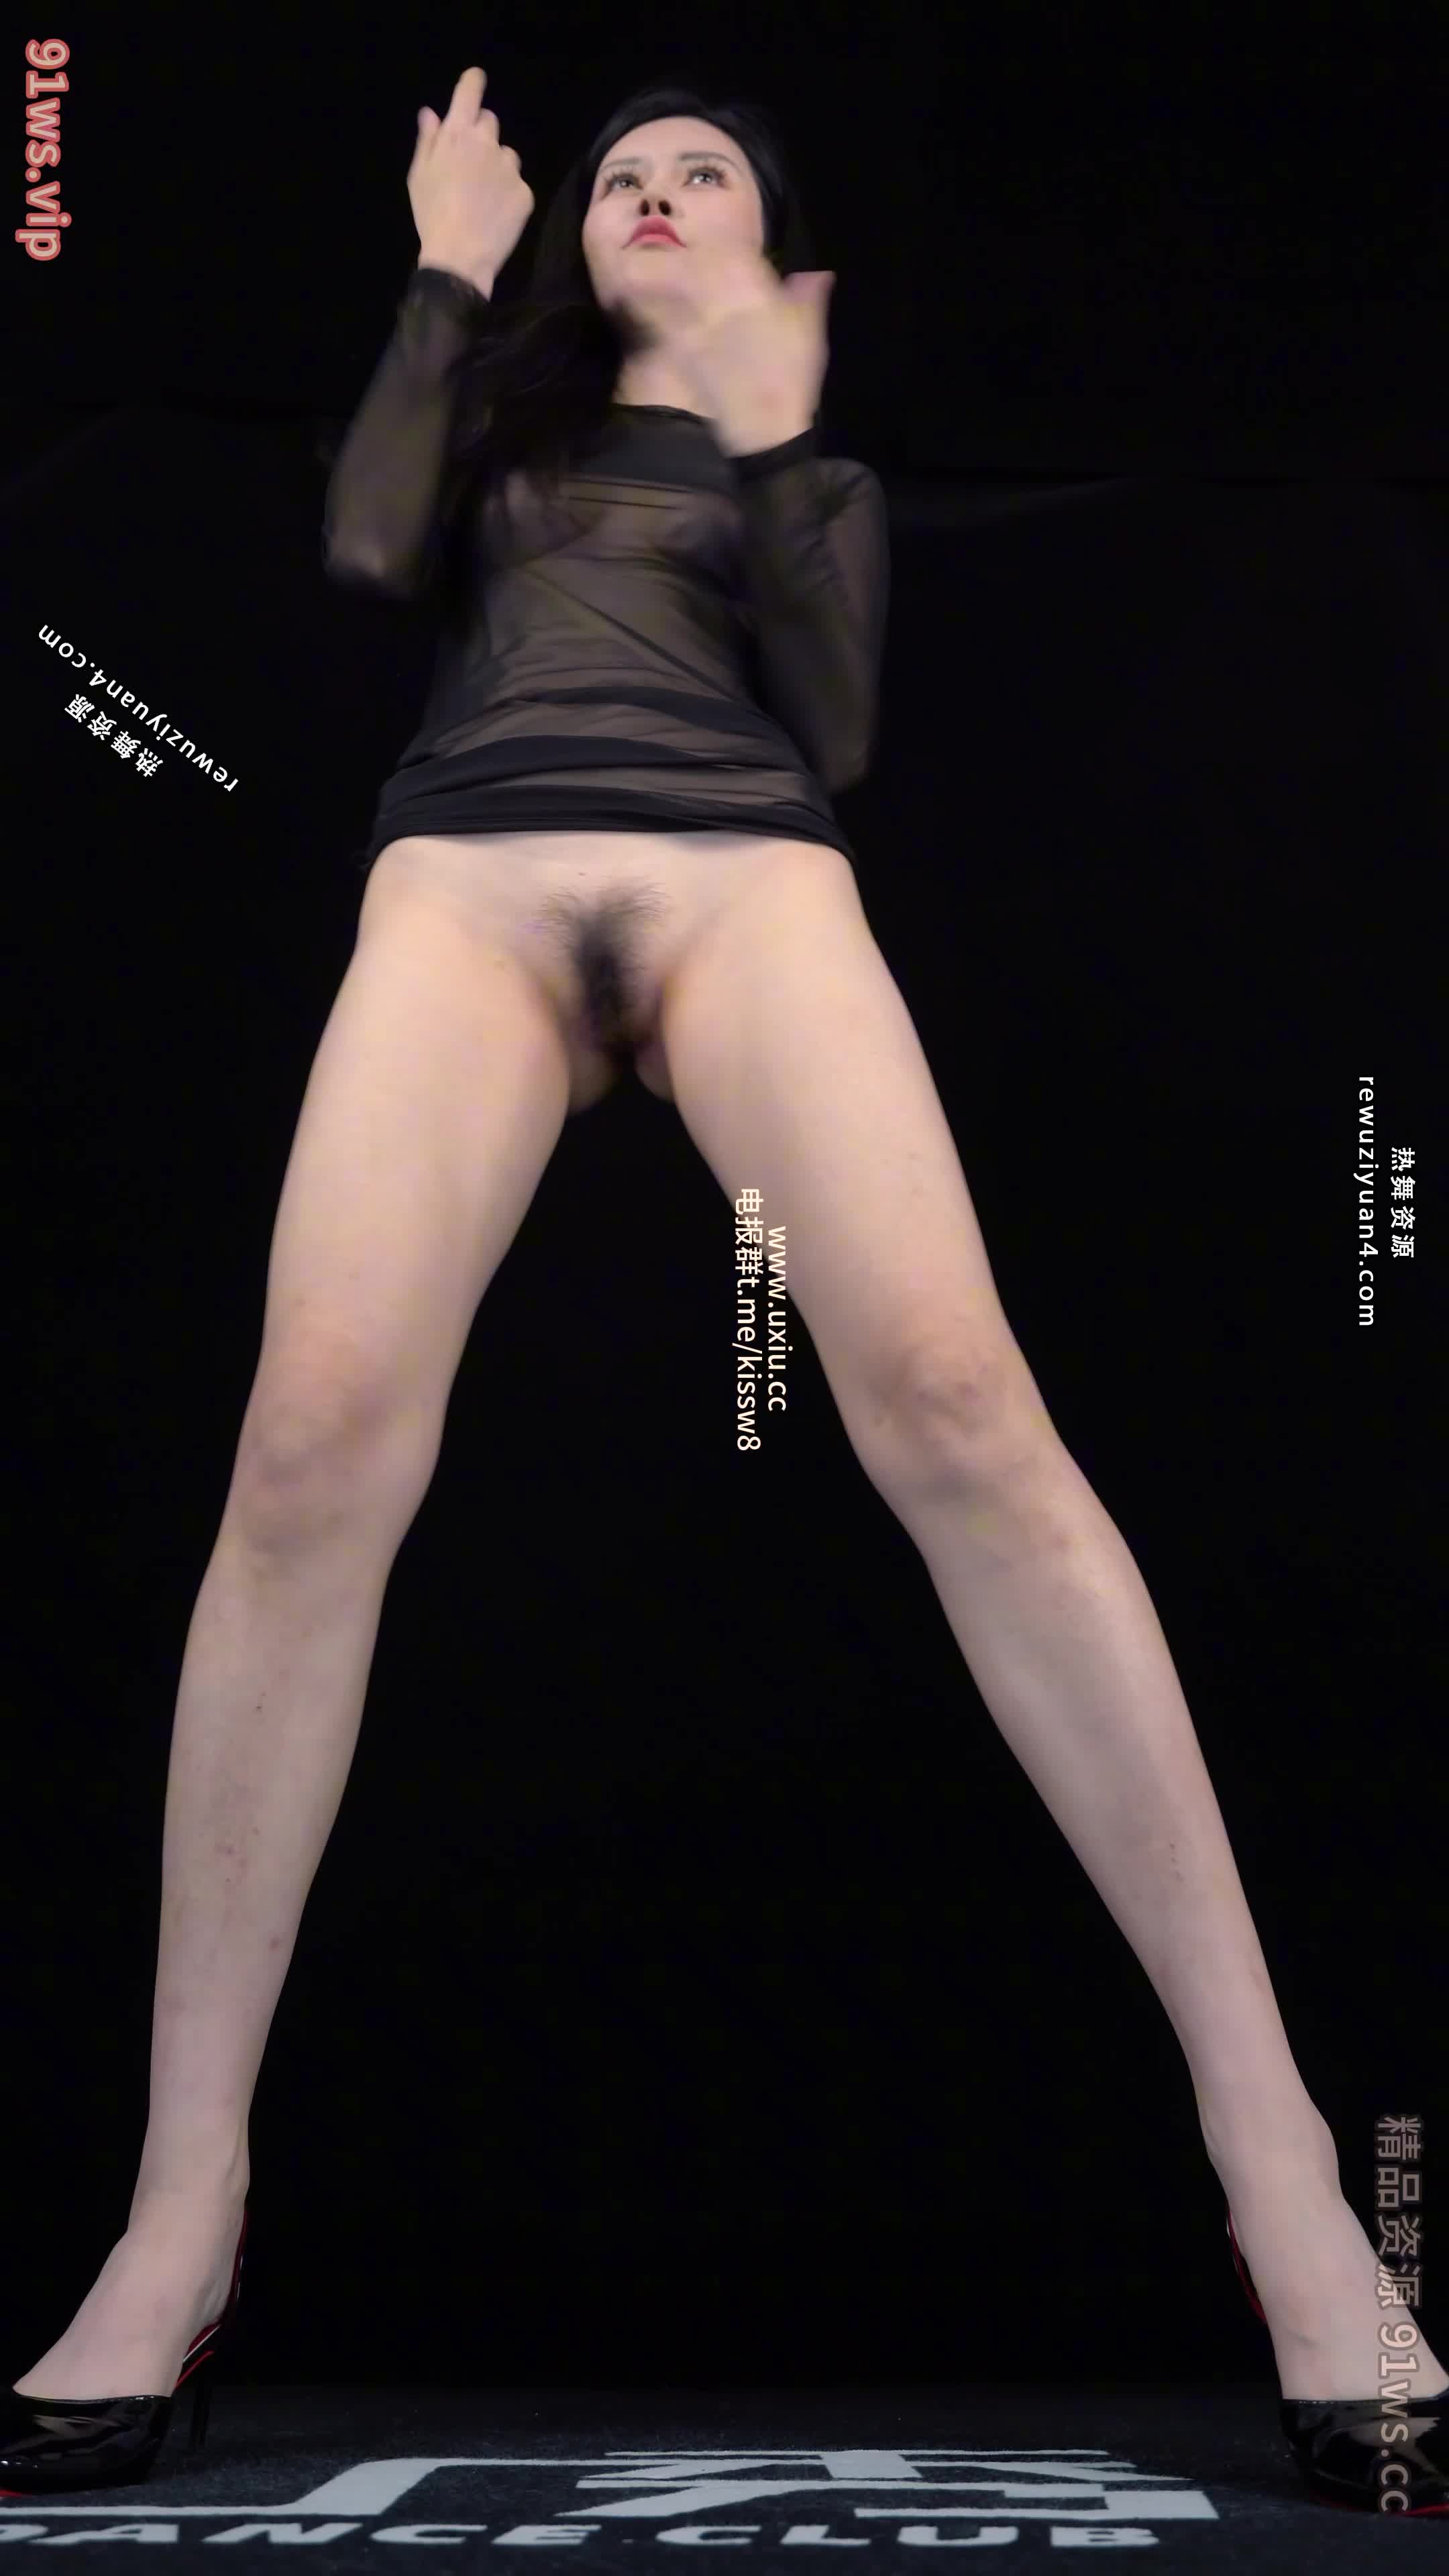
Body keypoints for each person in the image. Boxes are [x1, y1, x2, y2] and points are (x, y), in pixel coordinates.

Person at [4, 65, 1445, 2516]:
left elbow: (842, 727)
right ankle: (183, 2205)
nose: (656, 192)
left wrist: (777, 446)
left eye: (707, 177)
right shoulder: (497, 423)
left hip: (742, 877)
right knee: (311, 1435)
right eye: (623, 177)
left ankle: (1284, 2162)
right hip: (469, 881)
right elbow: (363, 547)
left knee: (959, 1402)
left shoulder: (816, 462)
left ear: (778, 252)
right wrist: (444, 269)